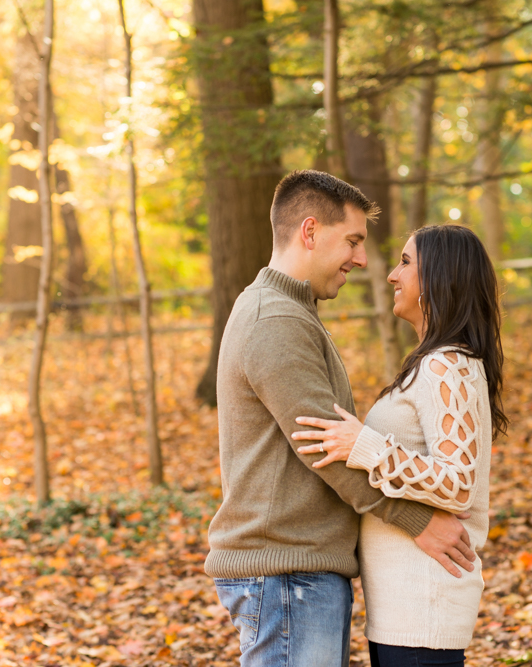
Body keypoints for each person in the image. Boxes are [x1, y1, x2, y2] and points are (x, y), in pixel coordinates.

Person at [204, 171, 477, 667]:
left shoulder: (290, 311)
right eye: (352, 241)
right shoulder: (277, 319)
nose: (361, 259)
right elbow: (324, 448)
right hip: (287, 571)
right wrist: (418, 521)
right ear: (310, 232)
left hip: (296, 570)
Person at [292, 224, 507, 667]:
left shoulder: (449, 365)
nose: (392, 274)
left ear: (439, 281)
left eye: (406, 263)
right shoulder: (436, 362)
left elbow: (458, 483)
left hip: (424, 601)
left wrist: (365, 445)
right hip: (403, 604)